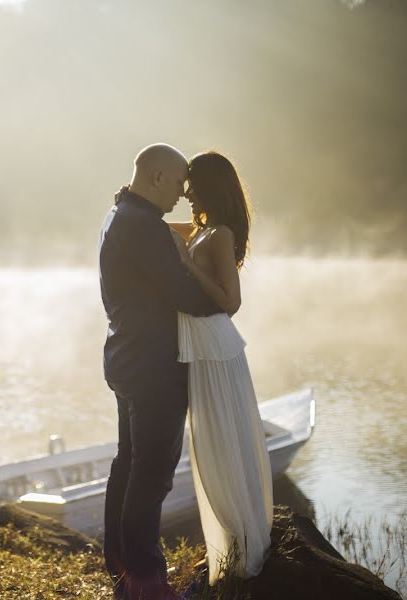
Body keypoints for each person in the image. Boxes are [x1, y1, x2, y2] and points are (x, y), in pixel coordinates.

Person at [98, 143, 222, 600]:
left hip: (127, 360)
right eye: (177, 183)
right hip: (153, 367)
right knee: (151, 475)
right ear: (155, 178)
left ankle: (124, 571)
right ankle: (148, 583)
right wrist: (224, 297)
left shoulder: (121, 216)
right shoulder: (141, 225)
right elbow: (185, 295)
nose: (181, 192)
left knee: (128, 466)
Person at [169, 151, 273, 586]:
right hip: (201, 351)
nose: (186, 193)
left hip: (217, 351)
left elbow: (231, 303)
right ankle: (231, 549)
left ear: (211, 187)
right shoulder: (203, 229)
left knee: (225, 447)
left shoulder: (221, 233)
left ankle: (246, 552)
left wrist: (188, 265)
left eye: (192, 185)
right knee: (211, 449)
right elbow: (160, 229)